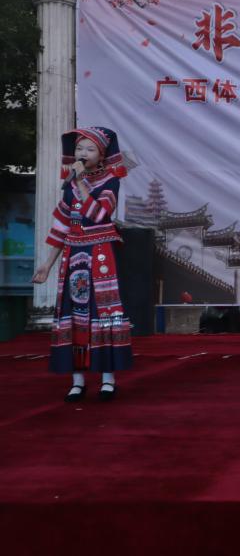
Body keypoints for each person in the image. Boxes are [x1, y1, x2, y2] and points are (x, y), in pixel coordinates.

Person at [32, 127, 133, 402]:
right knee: (74, 313)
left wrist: (80, 183)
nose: (82, 153)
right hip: (73, 255)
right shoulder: (70, 185)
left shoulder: (111, 181)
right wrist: (47, 264)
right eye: (79, 148)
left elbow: (98, 214)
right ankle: (77, 381)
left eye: (89, 149)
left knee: (102, 312)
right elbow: (61, 226)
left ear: (101, 155)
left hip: (100, 254)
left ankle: (108, 380)